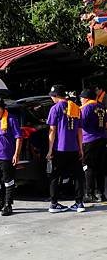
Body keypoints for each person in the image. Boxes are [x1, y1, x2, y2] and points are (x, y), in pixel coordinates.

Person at [46, 84, 85, 213]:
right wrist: (81, 148)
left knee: (55, 176)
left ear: (56, 96)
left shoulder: (55, 109)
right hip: (73, 148)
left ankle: (54, 204)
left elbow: (52, 131)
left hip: (59, 148)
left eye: (52, 96)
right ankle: (79, 203)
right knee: (78, 175)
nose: (52, 99)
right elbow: (80, 131)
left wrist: (50, 150)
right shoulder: (76, 108)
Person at [0, 98, 22, 217]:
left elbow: (19, 138)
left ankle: (8, 204)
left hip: (7, 156)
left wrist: (16, 154)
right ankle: (1, 199)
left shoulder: (11, 119)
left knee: (8, 181)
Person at [79, 89, 107, 202]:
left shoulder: (87, 108)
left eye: (81, 97)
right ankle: (101, 193)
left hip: (89, 140)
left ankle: (89, 194)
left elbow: (82, 124)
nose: (80, 100)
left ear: (86, 98)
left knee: (88, 166)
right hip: (102, 138)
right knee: (100, 167)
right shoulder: (101, 106)